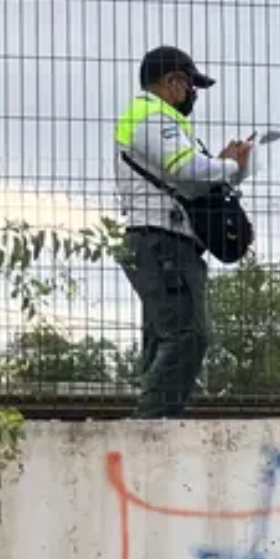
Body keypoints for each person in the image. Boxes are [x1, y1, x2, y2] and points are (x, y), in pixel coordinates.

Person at [112, 46, 251, 419]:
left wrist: (224, 166)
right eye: (192, 87)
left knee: (165, 336)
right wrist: (228, 165)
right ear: (174, 82)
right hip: (161, 239)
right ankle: (151, 425)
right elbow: (187, 170)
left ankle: (153, 422)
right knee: (187, 334)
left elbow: (189, 179)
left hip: (163, 239)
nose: (193, 96)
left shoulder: (154, 119)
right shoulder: (153, 117)